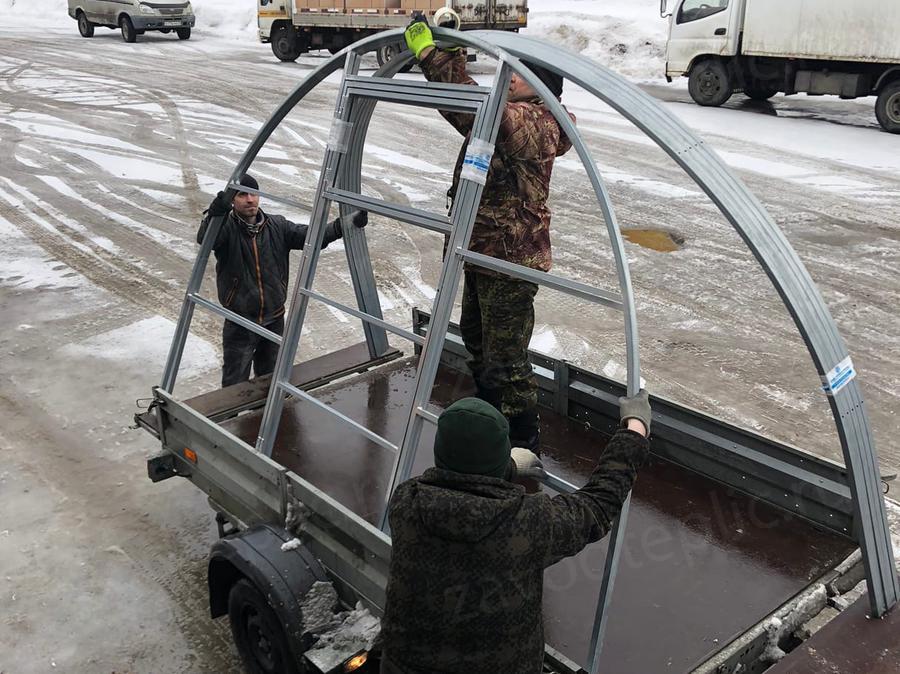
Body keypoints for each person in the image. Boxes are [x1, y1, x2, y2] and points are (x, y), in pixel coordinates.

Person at [379, 390, 652, 674]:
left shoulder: (406, 502)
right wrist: (635, 430)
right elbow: (597, 504)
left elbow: (460, 483)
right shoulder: (527, 522)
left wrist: (507, 467)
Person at [404, 17, 575, 453]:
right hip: (481, 250)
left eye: (518, 72)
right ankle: (489, 419)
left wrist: (429, 57)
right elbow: (471, 107)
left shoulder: (538, 123)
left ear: (540, 84)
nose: (509, 76)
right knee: (480, 343)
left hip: (510, 260)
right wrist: (452, 48)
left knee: (507, 358)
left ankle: (522, 440)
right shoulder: (516, 114)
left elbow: (474, 113)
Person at [197, 174, 368, 386]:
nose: (250, 199)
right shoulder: (227, 228)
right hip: (240, 321)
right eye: (242, 195)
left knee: (270, 377)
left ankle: (264, 417)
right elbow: (206, 240)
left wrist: (345, 224)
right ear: (233, 200)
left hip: (274, 318)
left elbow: (312, 237)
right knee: (234, 382)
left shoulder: (277, 226)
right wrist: (215, 217)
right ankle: (230, 420)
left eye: (254, 194)